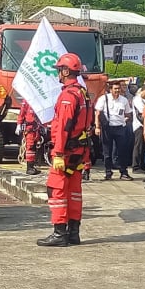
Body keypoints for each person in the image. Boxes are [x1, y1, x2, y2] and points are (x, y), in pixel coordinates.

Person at [37, 53, 92, 247]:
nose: (58, 73)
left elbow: (63, 127)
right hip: (79, 151)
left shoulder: (68, 95)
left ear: (66, 71)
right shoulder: (83, 93)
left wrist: (58, 152)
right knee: (74, 191)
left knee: (57, 189)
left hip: (66, 152)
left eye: (60, 70)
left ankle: (60, 232)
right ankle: (73, 233)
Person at [16, 99, 42, 175]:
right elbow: (22, 113)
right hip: (30, 128)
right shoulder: (27, 100)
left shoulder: (40, 102)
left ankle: (32, 166)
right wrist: (19, 124)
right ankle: (29, 168)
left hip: (37, 128)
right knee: (30, 147)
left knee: (34, 147)